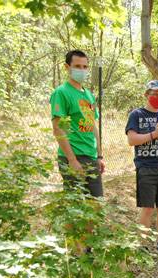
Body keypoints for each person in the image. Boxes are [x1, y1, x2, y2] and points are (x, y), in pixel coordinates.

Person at [125, 80, 158, 257]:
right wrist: (154, 134)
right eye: (155, 94)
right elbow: (132, 140)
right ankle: (142, 245)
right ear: (146, 95)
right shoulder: (136, 114)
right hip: (145, 167)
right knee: (147, 208)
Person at [50, 50, 104, 197]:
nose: (82, 70)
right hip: (73, 157)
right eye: (77, 66)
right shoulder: (61, 93)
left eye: (85, 67)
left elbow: (93, 126)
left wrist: (99, 156)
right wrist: (72, 160)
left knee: (97, 205)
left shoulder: (89, 95)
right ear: (67, 67)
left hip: (91, 157)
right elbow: (58, 129)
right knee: (75, 206)